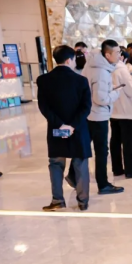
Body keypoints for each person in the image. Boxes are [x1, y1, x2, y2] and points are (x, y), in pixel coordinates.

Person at [37, 45, 92, 211]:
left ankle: (57, 200)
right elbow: (86, 107)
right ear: (69, 60)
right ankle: (83, 201)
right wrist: (72, 125)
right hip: (78, 129)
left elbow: (44, 107)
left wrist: (61, 125)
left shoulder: (43, 80)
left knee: (56, 164)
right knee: (80, 163)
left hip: (56, 128)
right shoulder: (81, 80)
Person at [82, 39, 124, 195]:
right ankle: (103, 184)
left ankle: (73, 175)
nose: (120, 55)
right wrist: (116, 93)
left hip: (89, 113)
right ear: (107, 55)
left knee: (86, 146)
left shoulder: (91, 65)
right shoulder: (101, 71)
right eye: (117, 52)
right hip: (98, 115)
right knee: (101, 151)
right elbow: (100, 99)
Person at [110, 49, 132, 179]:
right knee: (128, 142)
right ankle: (130, 170)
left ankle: (117, 168)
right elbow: (131, 90)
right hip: (126, 110)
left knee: (115, 141)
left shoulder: (109, 68)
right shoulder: (122, 69)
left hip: (114, 110)